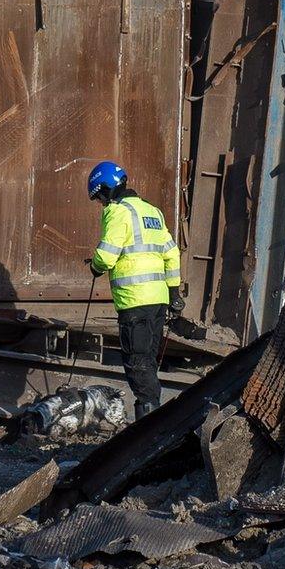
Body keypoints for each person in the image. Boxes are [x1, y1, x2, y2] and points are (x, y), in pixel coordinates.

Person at [86, 161, 183, 420]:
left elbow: (106, 257)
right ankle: (152, 421)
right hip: (158, 300)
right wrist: (174, 293)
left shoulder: (117, 212)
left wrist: (95, 266)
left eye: (99, 197)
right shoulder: (153, 212)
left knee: (137, 365)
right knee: (148, 362)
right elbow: (171, 253)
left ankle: (149, 427)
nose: (101, 203)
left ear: (105, 190)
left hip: (134, 301)